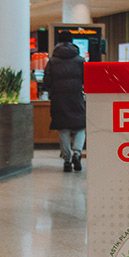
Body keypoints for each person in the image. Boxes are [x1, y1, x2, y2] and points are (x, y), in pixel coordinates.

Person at [43, 30, 86, 172]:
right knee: (80, 127)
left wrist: (52, 90)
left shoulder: (52, 61)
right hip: (76, 98)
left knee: (63, 129)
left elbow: (47, 81)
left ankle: (67, 161)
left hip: (59, 98)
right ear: (72, 41)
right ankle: (77, 153)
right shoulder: (80, 60)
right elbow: (86, 79)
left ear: (59, 41)